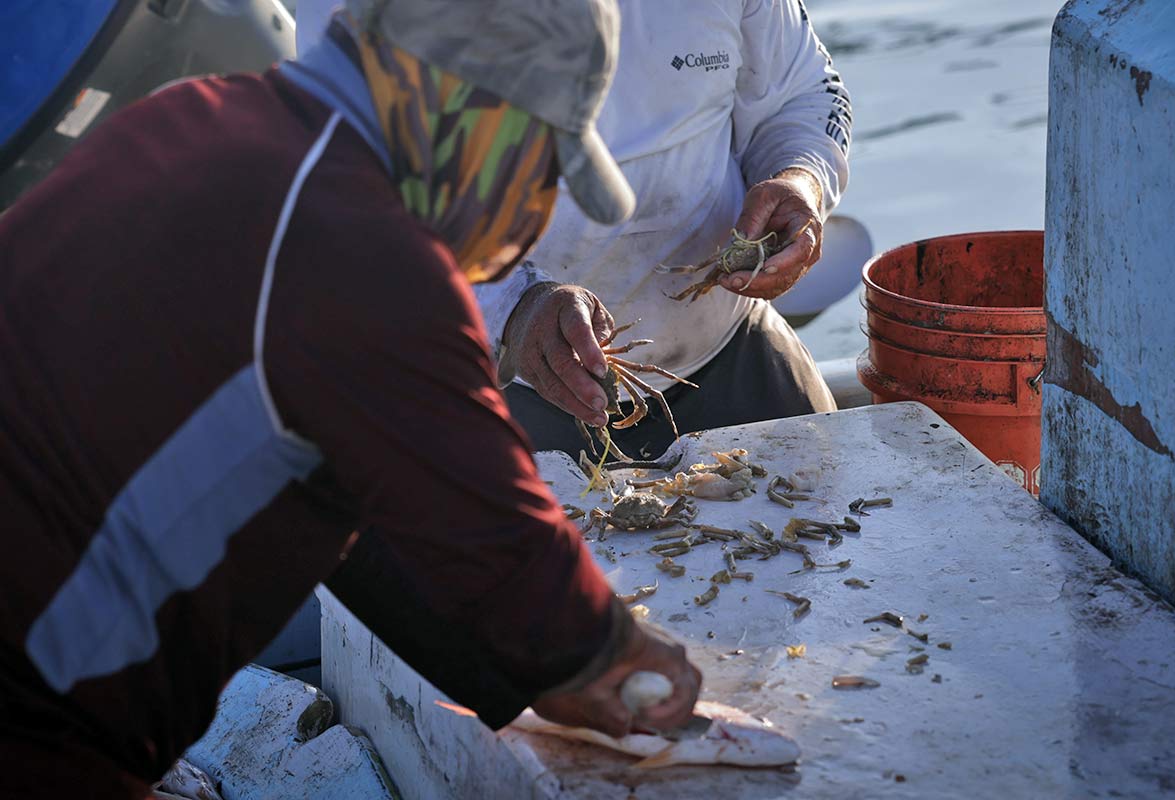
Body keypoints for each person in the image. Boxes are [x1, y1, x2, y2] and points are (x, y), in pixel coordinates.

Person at [0, 0, 699, 796]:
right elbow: (487, 525)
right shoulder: (360, 245)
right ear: (470, 112)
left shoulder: (191, 119)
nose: (533, 218)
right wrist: (608, 656)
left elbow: (372, 503)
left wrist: (533, 666)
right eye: (541, 169)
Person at [481, 0, 853, 459]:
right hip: (507, 385)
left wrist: (799, 179)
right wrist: (512, 307)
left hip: (734, 348)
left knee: (837, 508)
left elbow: (804, 95)